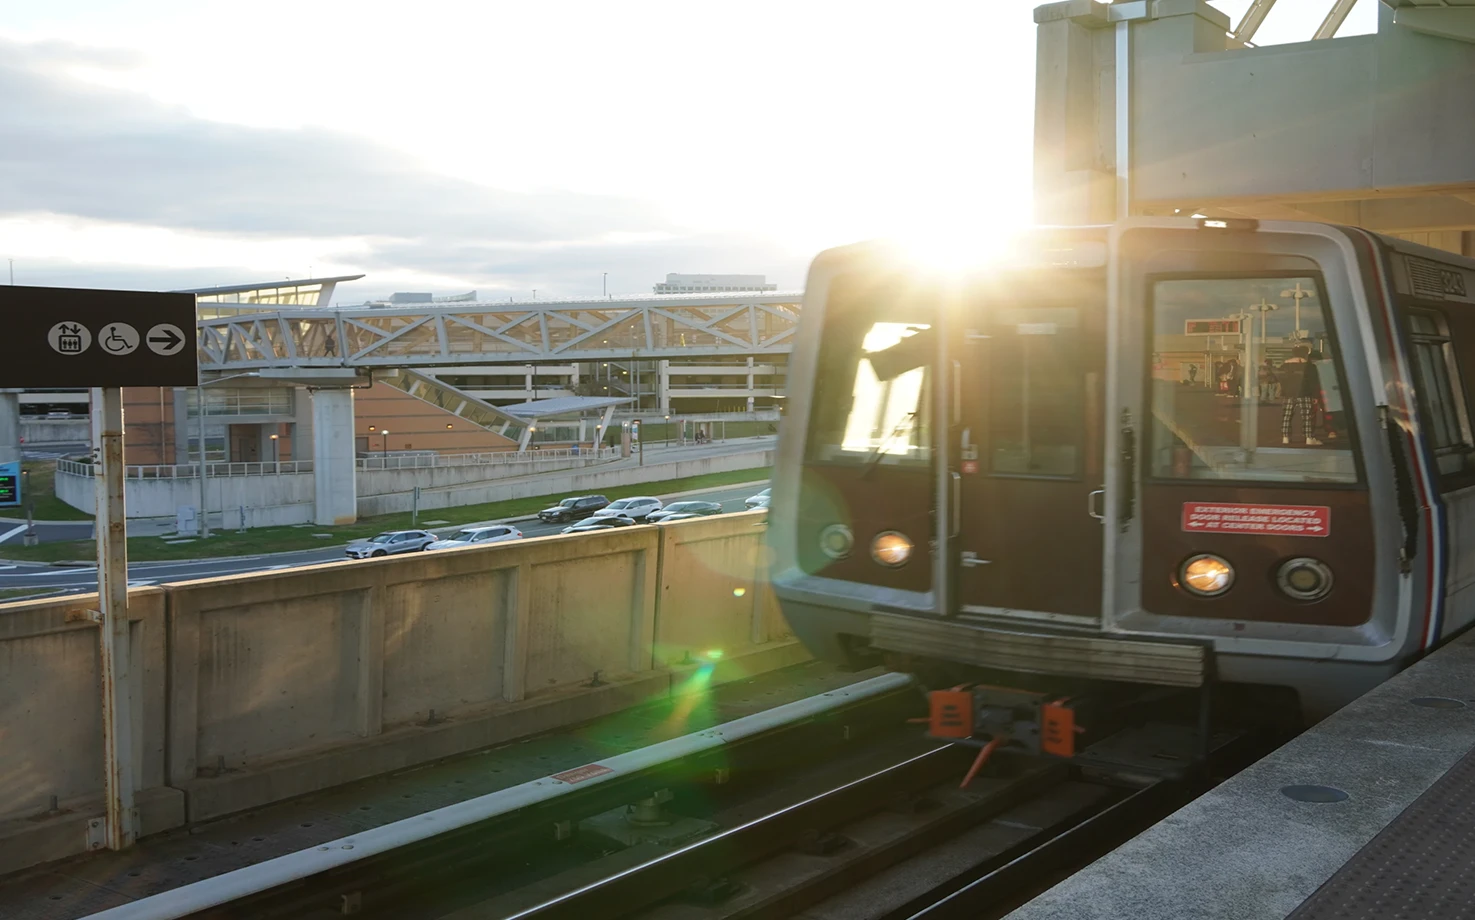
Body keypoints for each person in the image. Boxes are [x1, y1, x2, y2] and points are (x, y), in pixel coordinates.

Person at [1278, 344, 1322, 446]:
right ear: (1306, 354)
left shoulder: (1285, 365)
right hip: (1305, 392)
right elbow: (1314, 382)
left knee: (1287, 415)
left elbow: (1281, 378)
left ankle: (1285, 437)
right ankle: (1309, 438)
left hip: (1289, 393)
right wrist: (1315, 396)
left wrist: (1284, 390)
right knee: (1307, 415)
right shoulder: (1310, 366)